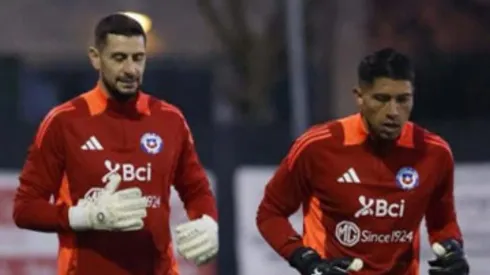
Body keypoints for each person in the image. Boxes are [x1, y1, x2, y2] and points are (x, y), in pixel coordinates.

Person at [12, 13, 218, 275]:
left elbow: (196, 189)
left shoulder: (170, 120)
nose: (131, 69)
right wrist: (85, 217)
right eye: (119, 58)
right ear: (95, 58)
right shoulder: (64, 122)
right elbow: (25, 209)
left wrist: (207, 221)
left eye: (138, 58)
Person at [256, 48, 469, 275]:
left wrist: (452, 250)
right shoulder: (317, 147)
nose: (393, 112)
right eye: (382, 99)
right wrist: (306, 260)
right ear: (359, 97)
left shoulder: (434, 153)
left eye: (403, 99)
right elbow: (270, 213)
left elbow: (443, 224)